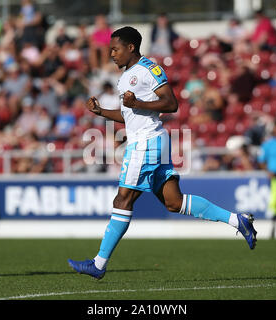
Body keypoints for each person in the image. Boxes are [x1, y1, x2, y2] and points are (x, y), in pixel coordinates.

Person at [68, 26, 257, 280]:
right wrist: (102, 111)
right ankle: (237, 220)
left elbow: (171, 103)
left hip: (146, 142)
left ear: (131, 47)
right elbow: (128, 114)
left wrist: (139, 103)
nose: (111, 54)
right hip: (148, 141)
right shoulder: (124, 76)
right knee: (174, 202)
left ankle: (99, 264)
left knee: (122, 200)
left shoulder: (148, 69)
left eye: (115, 49)